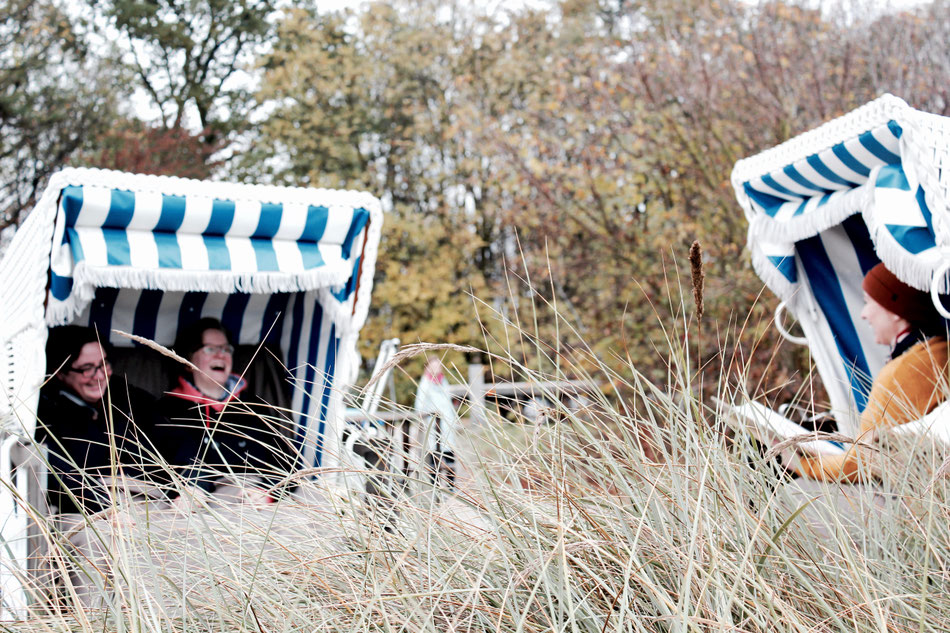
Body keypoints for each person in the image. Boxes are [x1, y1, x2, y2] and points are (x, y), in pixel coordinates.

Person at [786, 262, 949, 482]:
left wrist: (801, 464)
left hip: (925, 503)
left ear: (895, 310)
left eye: (868, 303)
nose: (864, 314)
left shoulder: (900, 371)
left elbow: (862, 461)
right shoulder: (941, 350)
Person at [157, 318, 297, 504]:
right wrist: (187, 491)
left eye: (225, 349)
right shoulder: (169, 408)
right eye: (210, 349)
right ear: (188, 360)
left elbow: (285, 461)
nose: (221, 355)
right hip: (200, 499)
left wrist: (268, 492)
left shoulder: (253, 406)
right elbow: (163, 467)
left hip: (257, 496)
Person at [36, 326, 166, 514]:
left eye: (103, 364)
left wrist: (193, 484)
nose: (99, 376)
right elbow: (58, 473)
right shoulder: (45, 412)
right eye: (86, 369)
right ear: (60, 372)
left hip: (148, 499)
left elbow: (174, 436)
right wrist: (107, 508)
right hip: (86, 511)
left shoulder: (122, 393)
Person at [413, 357, 460, 487]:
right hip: (433, 426)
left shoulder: (443, 381)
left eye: (439, 365)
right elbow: (420, 406)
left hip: (447, 425)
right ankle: (436, 487)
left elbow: (448, 404)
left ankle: (451, 487)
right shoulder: (425, 384)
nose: (437, 368)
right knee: (435, 457)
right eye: (434, 366)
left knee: (450, 455)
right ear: (427, 367)